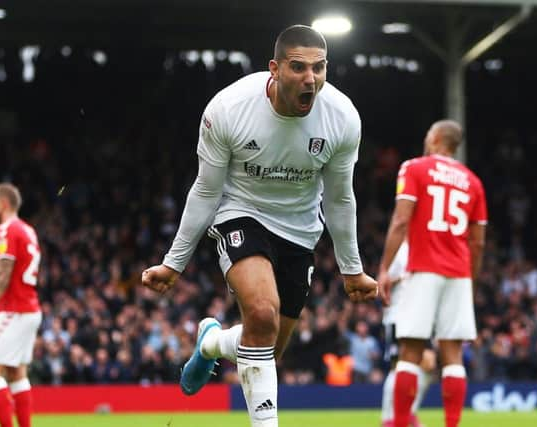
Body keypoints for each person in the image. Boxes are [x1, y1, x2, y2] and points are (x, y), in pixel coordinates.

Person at [142, 24, 378, 427]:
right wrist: (173, 262)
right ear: (274, 68)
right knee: (263, 316)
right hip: (241, 211)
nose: (311, 79)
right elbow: (205, 190)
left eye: (319, 69)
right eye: (299, 68)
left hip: (300, 230)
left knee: (266, 348)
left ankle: (213, 342)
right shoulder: (228, 109)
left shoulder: (342, 118)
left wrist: (351, 268)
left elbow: (339, 197)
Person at [377, 120, 487, 427]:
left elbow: (401, 221)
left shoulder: (414, 168)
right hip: (459, 272)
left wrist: (385, 269)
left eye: (428, 135)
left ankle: (398, 423)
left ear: (436, 138)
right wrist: (471, 281)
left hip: (424, 269)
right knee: (452, 355)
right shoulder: (473, 182)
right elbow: (477, 242)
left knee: (410, 352)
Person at [0, 183, 42, 427]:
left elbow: (3, 272)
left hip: (14, 310)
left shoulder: (6, 229)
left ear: (3, 204)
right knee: (17, 373)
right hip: (30, 309)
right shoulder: (28, 230)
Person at [380, 241, 436, 427]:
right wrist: (407, 277)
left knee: (427, 364)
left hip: (418, 314)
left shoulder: (421, 245)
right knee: (399, 366)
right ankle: (389, 419)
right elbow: (384, 280)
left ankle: (408, 414)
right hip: (398, 315)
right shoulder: (399, 249)